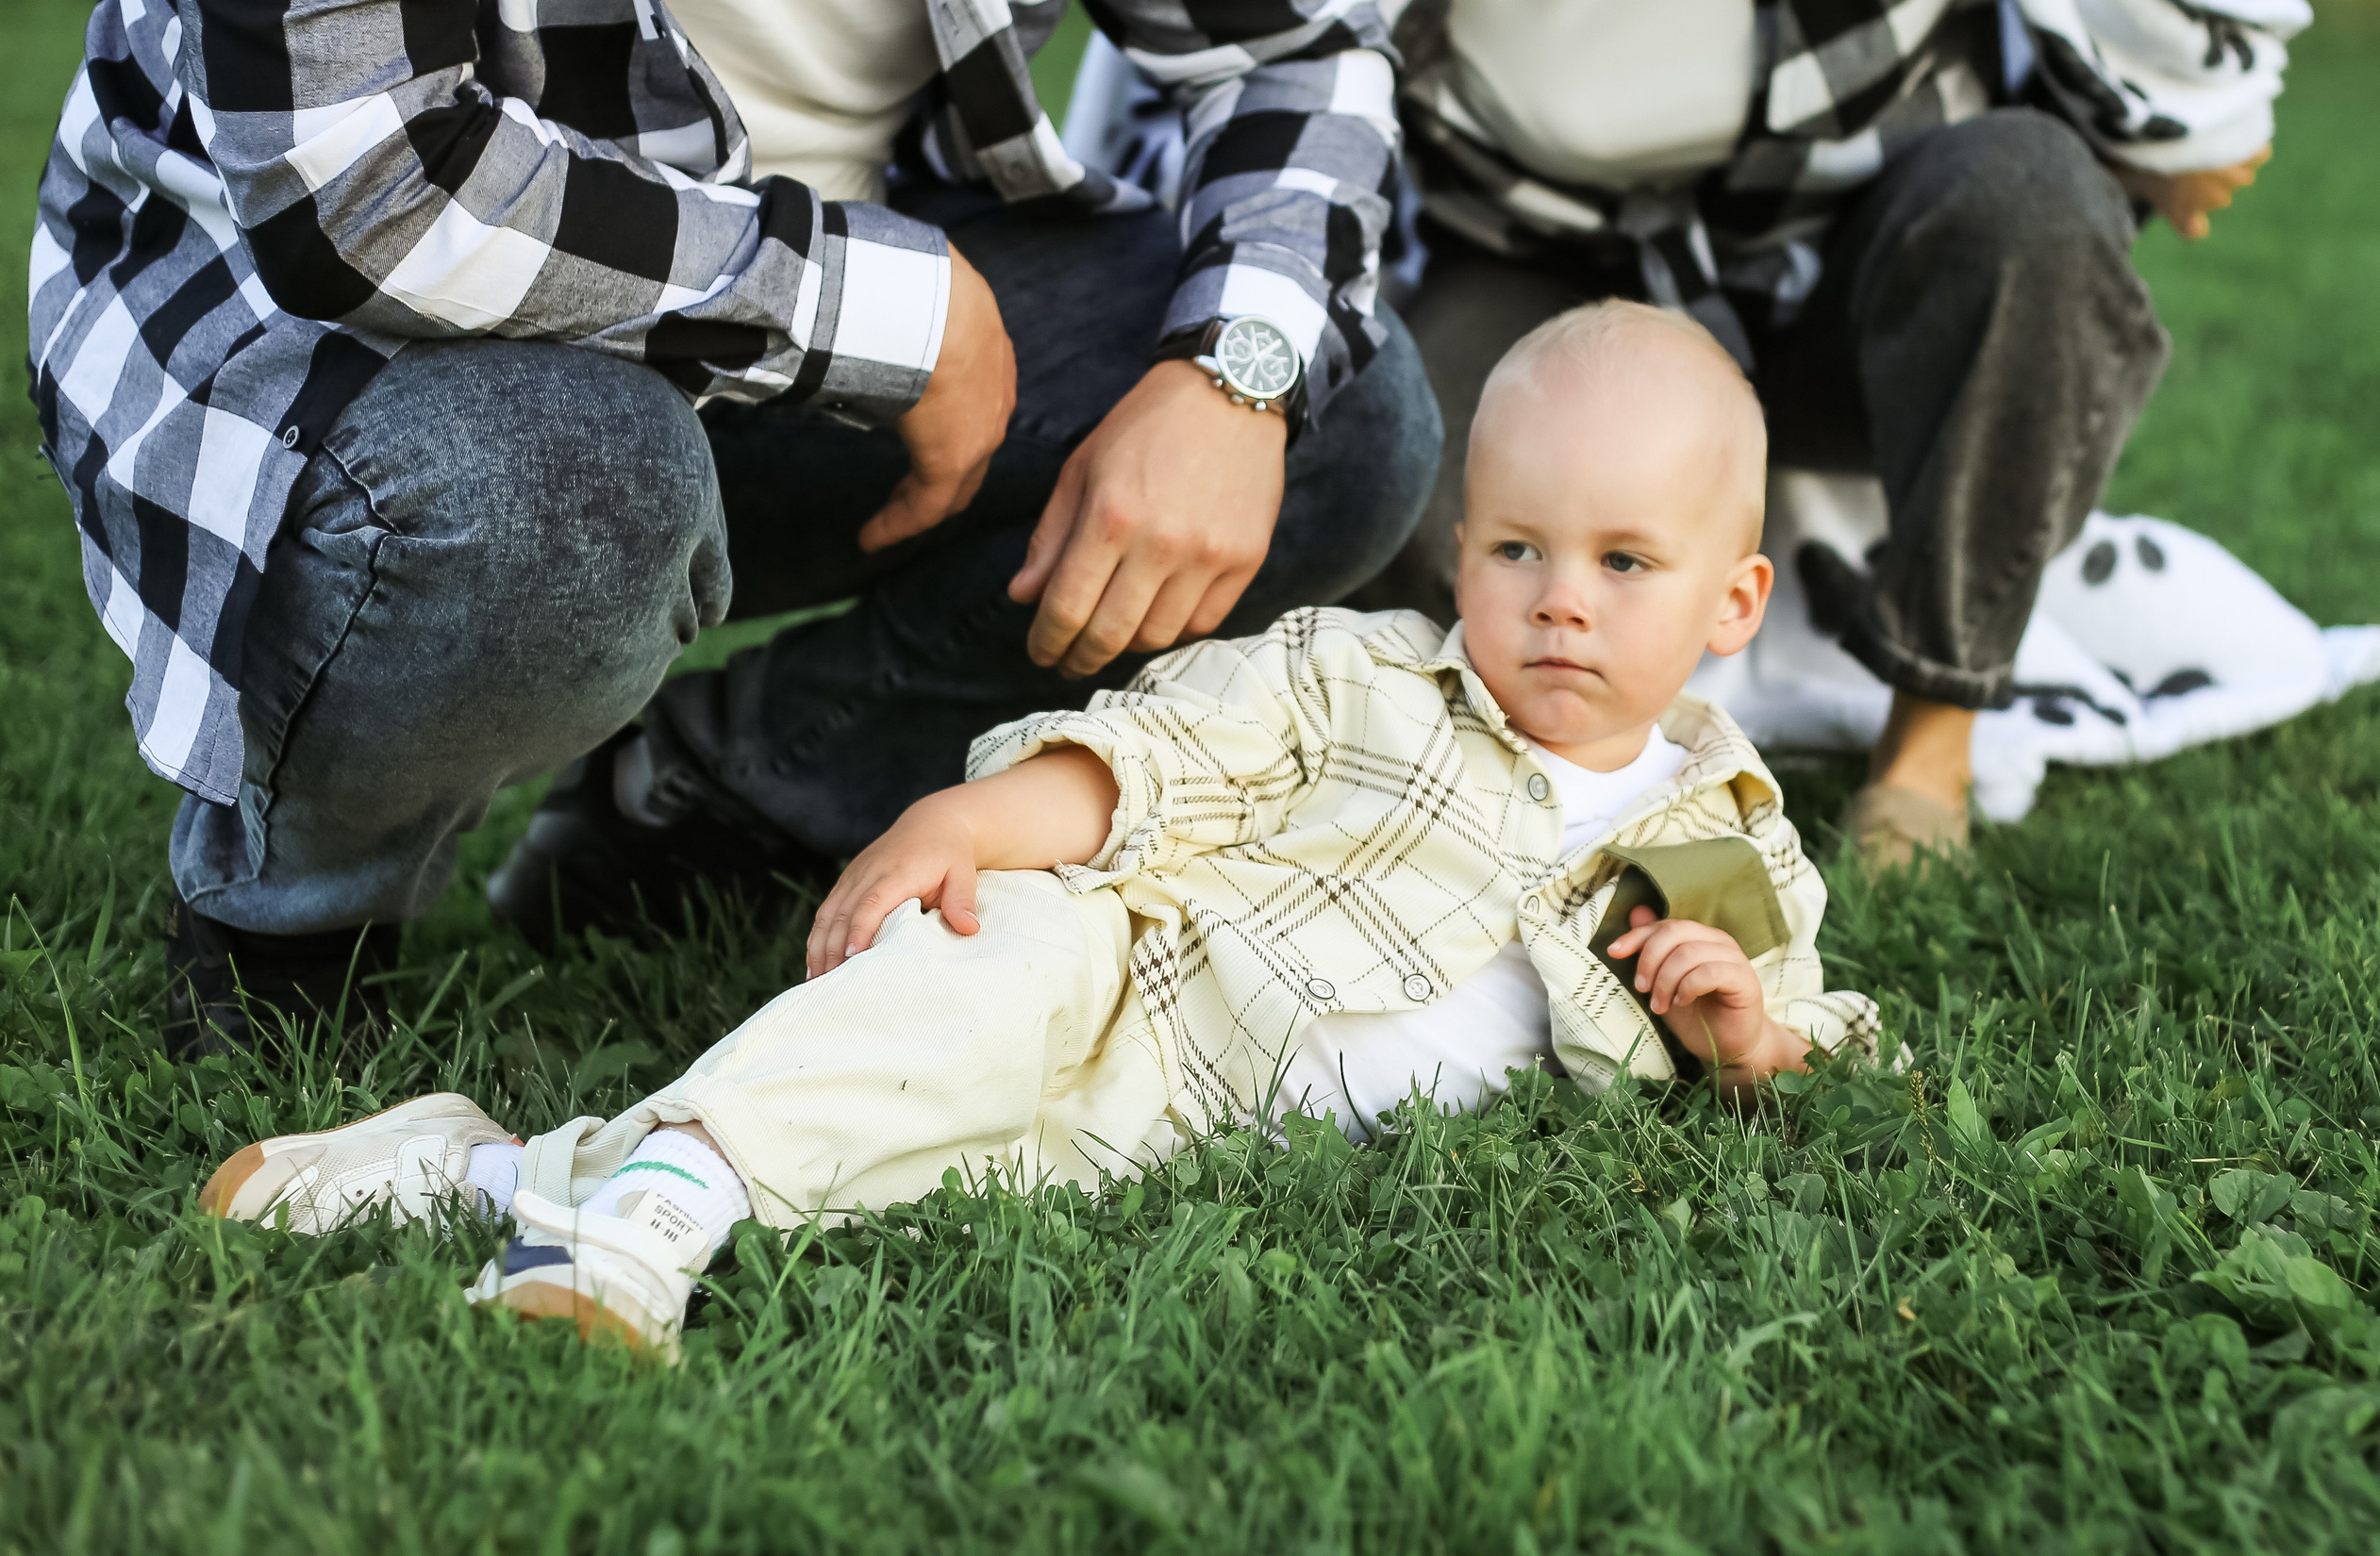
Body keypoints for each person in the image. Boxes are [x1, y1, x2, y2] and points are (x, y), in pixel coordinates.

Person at [198, 302, 1883, 1357]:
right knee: (972, 1000)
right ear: (1463, 553)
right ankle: (653, 1213)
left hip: (1173, 1118)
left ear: (1735, 601)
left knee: (898, 1167)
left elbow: (1813, 1028)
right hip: (1124, 968)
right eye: (1517, 549)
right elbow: (1160, 750)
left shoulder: (1726, 843)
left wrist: (1745, 1034)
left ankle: (481, 1168)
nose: (1559, 600)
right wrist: (973, 818)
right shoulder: (1363, 672)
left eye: (1623, 563)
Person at [28, 0, 1440, 1061]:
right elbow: (366, 187)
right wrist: (881, 310)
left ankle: (709, 802)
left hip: (840, 294)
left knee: (1340, 421)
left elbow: (1298, 46)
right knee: (571, 481)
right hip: (349, 353)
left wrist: (1234, 375)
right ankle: (291, 923)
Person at [1347, 0, 2303, 869]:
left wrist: (2189, 106)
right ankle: (1537, 773)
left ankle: (1932, 729)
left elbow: (2199, 76)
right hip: (1542, 245)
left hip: (1857, 237)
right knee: (1408, 470)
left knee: (2033, 198)